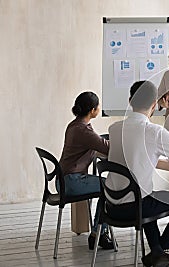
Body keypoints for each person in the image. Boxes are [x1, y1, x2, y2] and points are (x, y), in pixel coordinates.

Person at [107, 80, 169, 266]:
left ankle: (157, 252)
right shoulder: (153, 131)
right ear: (154, 104)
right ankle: (163, 250)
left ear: (129, 101)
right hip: (136, 207)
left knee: (147, 193)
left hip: (111, 206)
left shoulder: (114, 129)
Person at [59, 91, 113, 250]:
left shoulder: (75, 125)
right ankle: (98, 234)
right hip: (72, 182)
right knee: (110, 186)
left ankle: (99, 233)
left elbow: (95, 142)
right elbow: (106, 147)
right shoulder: (83, 130)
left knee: (106, 185)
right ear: (92, 110)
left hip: (64, 179)